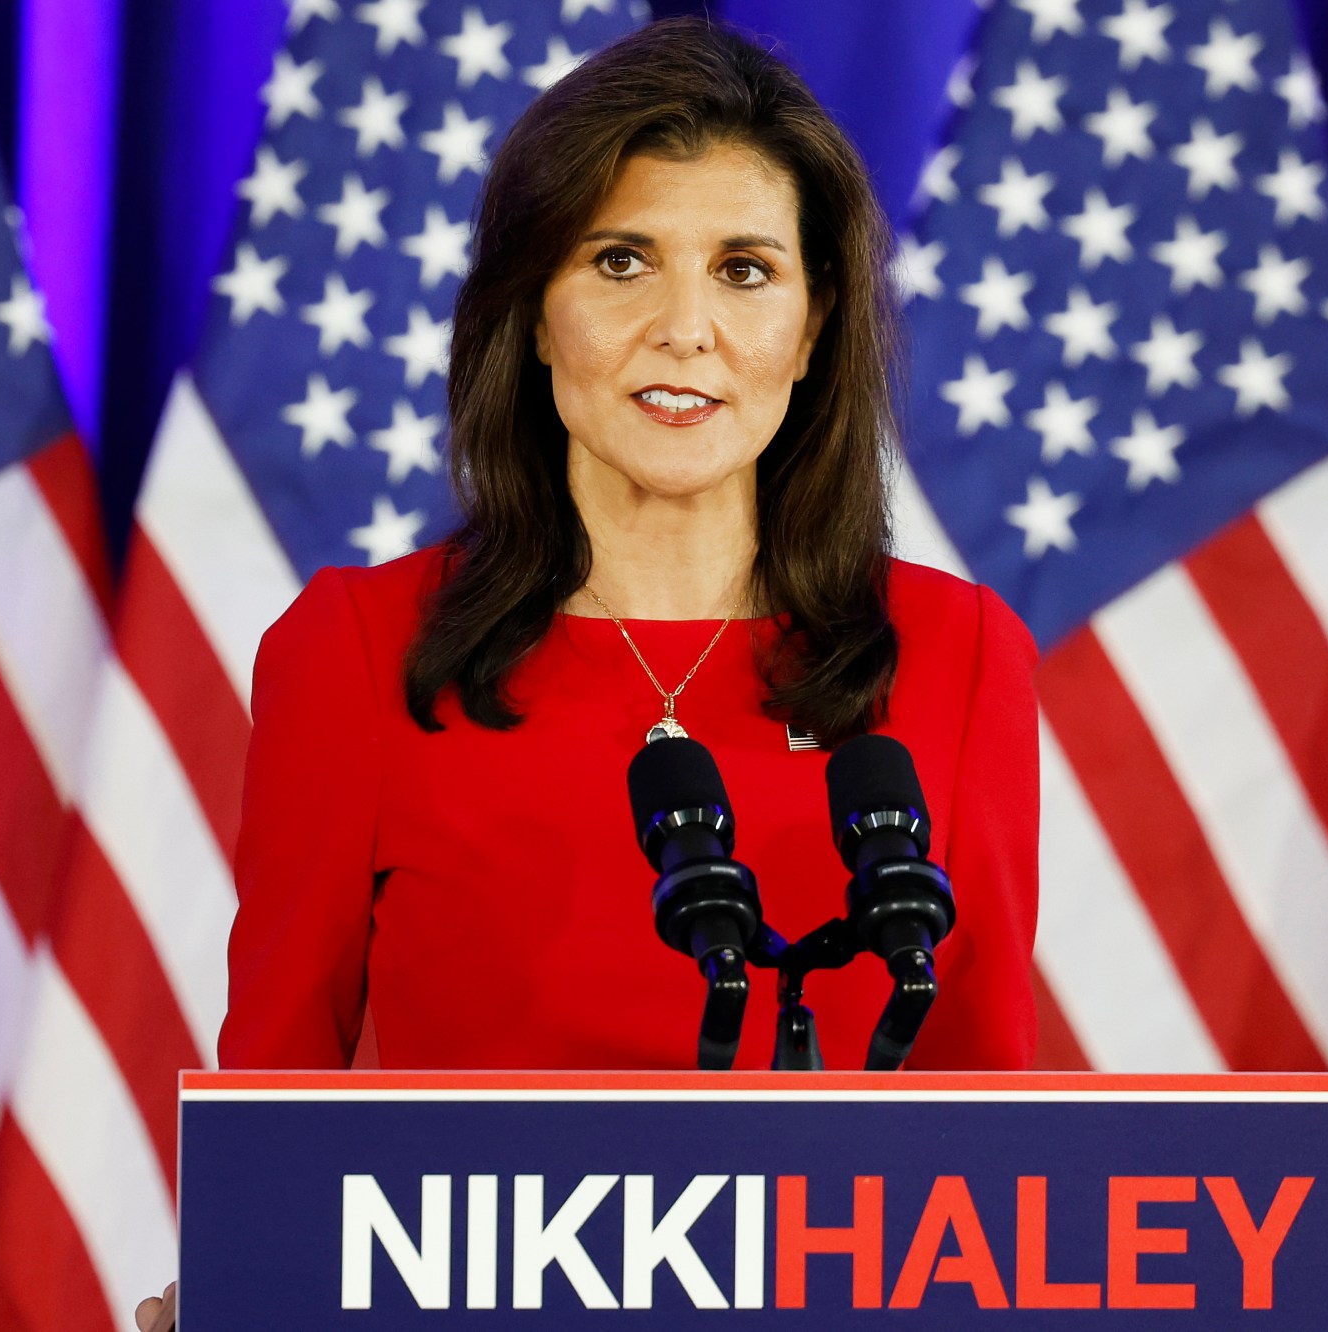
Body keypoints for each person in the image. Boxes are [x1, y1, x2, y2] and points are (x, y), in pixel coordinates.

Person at [135, 15, 1036, 1325]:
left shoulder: (951, 655)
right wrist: (241, 1283)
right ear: (535, 314)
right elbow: (281, 1090)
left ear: (813, 321)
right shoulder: (358, 652)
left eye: (745, 269)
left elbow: (984, 1103)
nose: (686, 328)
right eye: (621, 261)